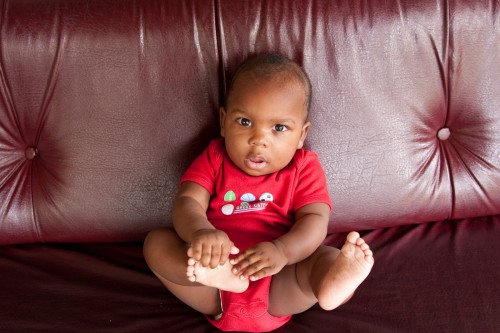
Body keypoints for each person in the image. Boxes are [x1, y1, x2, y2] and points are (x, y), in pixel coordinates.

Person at [143, 53, 374, 332]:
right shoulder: (215, 157)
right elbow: (188, 201)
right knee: (156, 243)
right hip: (211, 286)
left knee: (323, 258)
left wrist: (283, 251)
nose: (258, 140)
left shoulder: (304, 167)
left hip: (280, 283)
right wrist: (200, 233)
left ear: (301, 135)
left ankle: (333, 286)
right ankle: (217, 274)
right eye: (244, 122)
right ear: (224, 121)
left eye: (279, 128)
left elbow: (315, 220)